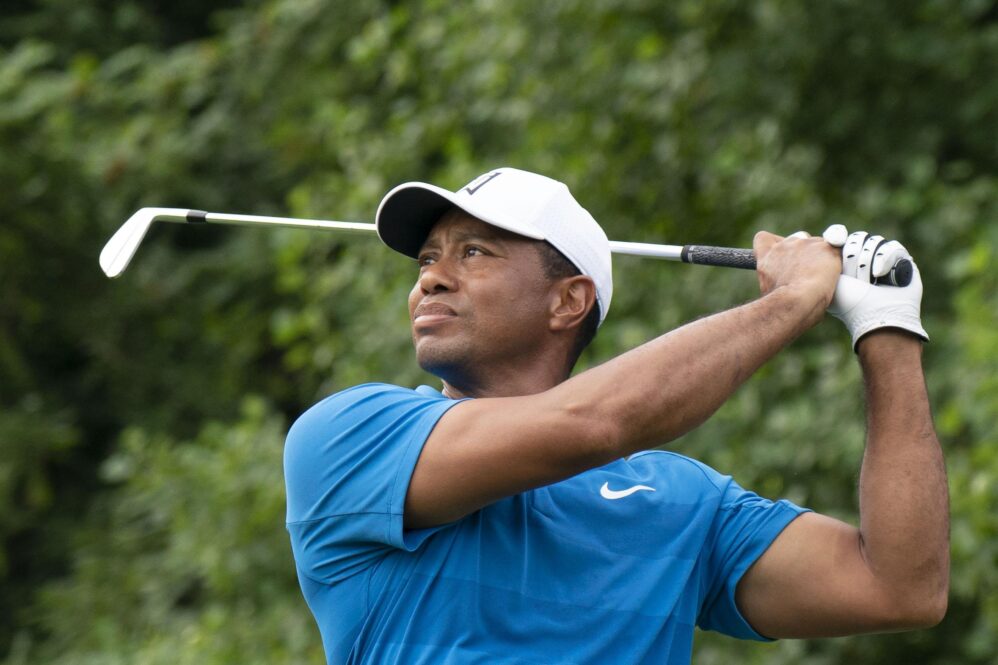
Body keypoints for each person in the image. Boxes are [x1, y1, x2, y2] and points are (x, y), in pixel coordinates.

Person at [284, 167, 949, 664]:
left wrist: (885, 326)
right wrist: (794, 299)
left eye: (473, 252)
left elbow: (900, 588)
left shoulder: (683, 502)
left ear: (568, 301)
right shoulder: (349, 437)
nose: (430, 277)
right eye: (428, 257)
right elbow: (593, 423)